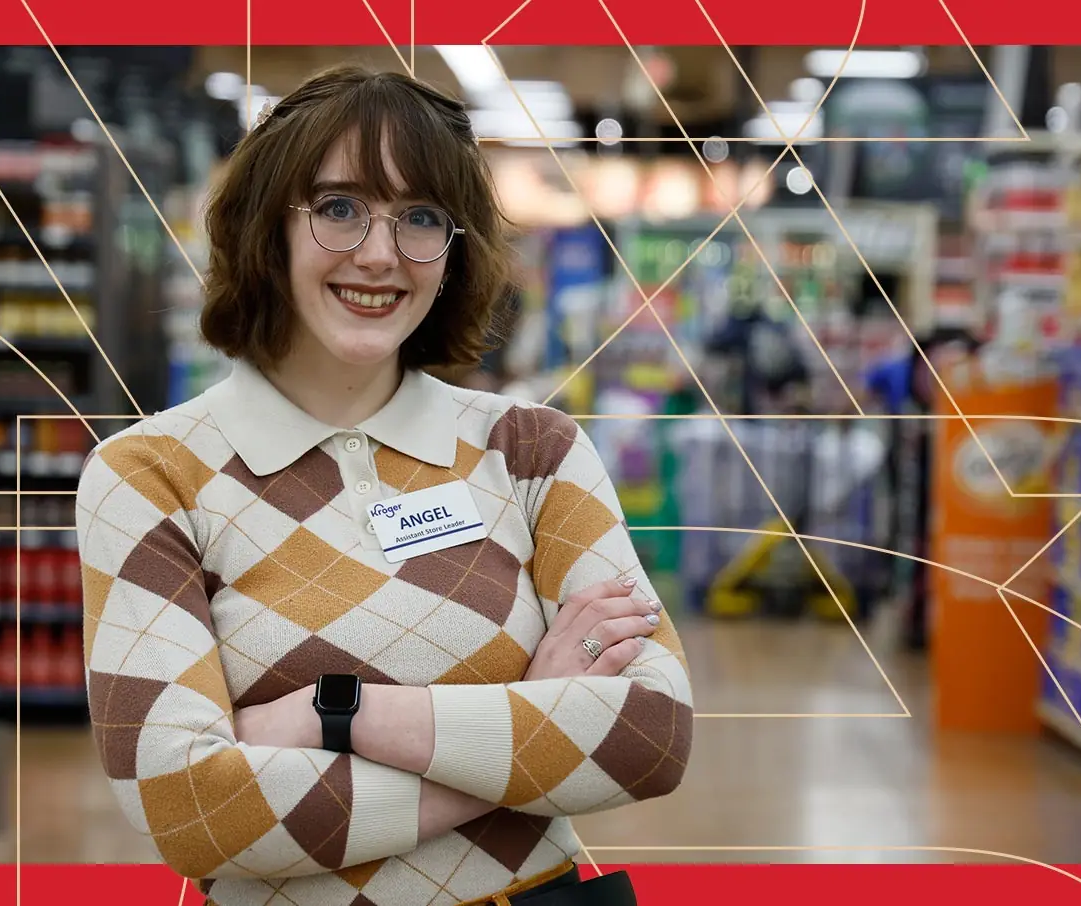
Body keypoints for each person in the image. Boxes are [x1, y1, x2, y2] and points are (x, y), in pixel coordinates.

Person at [74, 64, 693, 906]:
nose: (379, 254)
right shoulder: (152, 477)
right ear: (268, 227)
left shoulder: (531, 451)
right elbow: (190, 813)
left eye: (421, 218)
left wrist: (340, 714)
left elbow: (649, 737)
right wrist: (527, 723)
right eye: (338, 209)